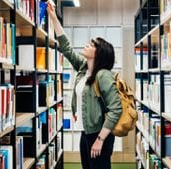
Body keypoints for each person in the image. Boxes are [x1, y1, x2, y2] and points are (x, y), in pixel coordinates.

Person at [46, 2, 122, 169]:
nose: (87, 44)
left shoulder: (103, 75)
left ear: (99, 53)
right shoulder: (83, 68)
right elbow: (66, 48)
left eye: (92, 44)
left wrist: (100, 140)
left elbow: (116, 109)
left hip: (98, 135)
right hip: (85, 131)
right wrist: (53, 17)